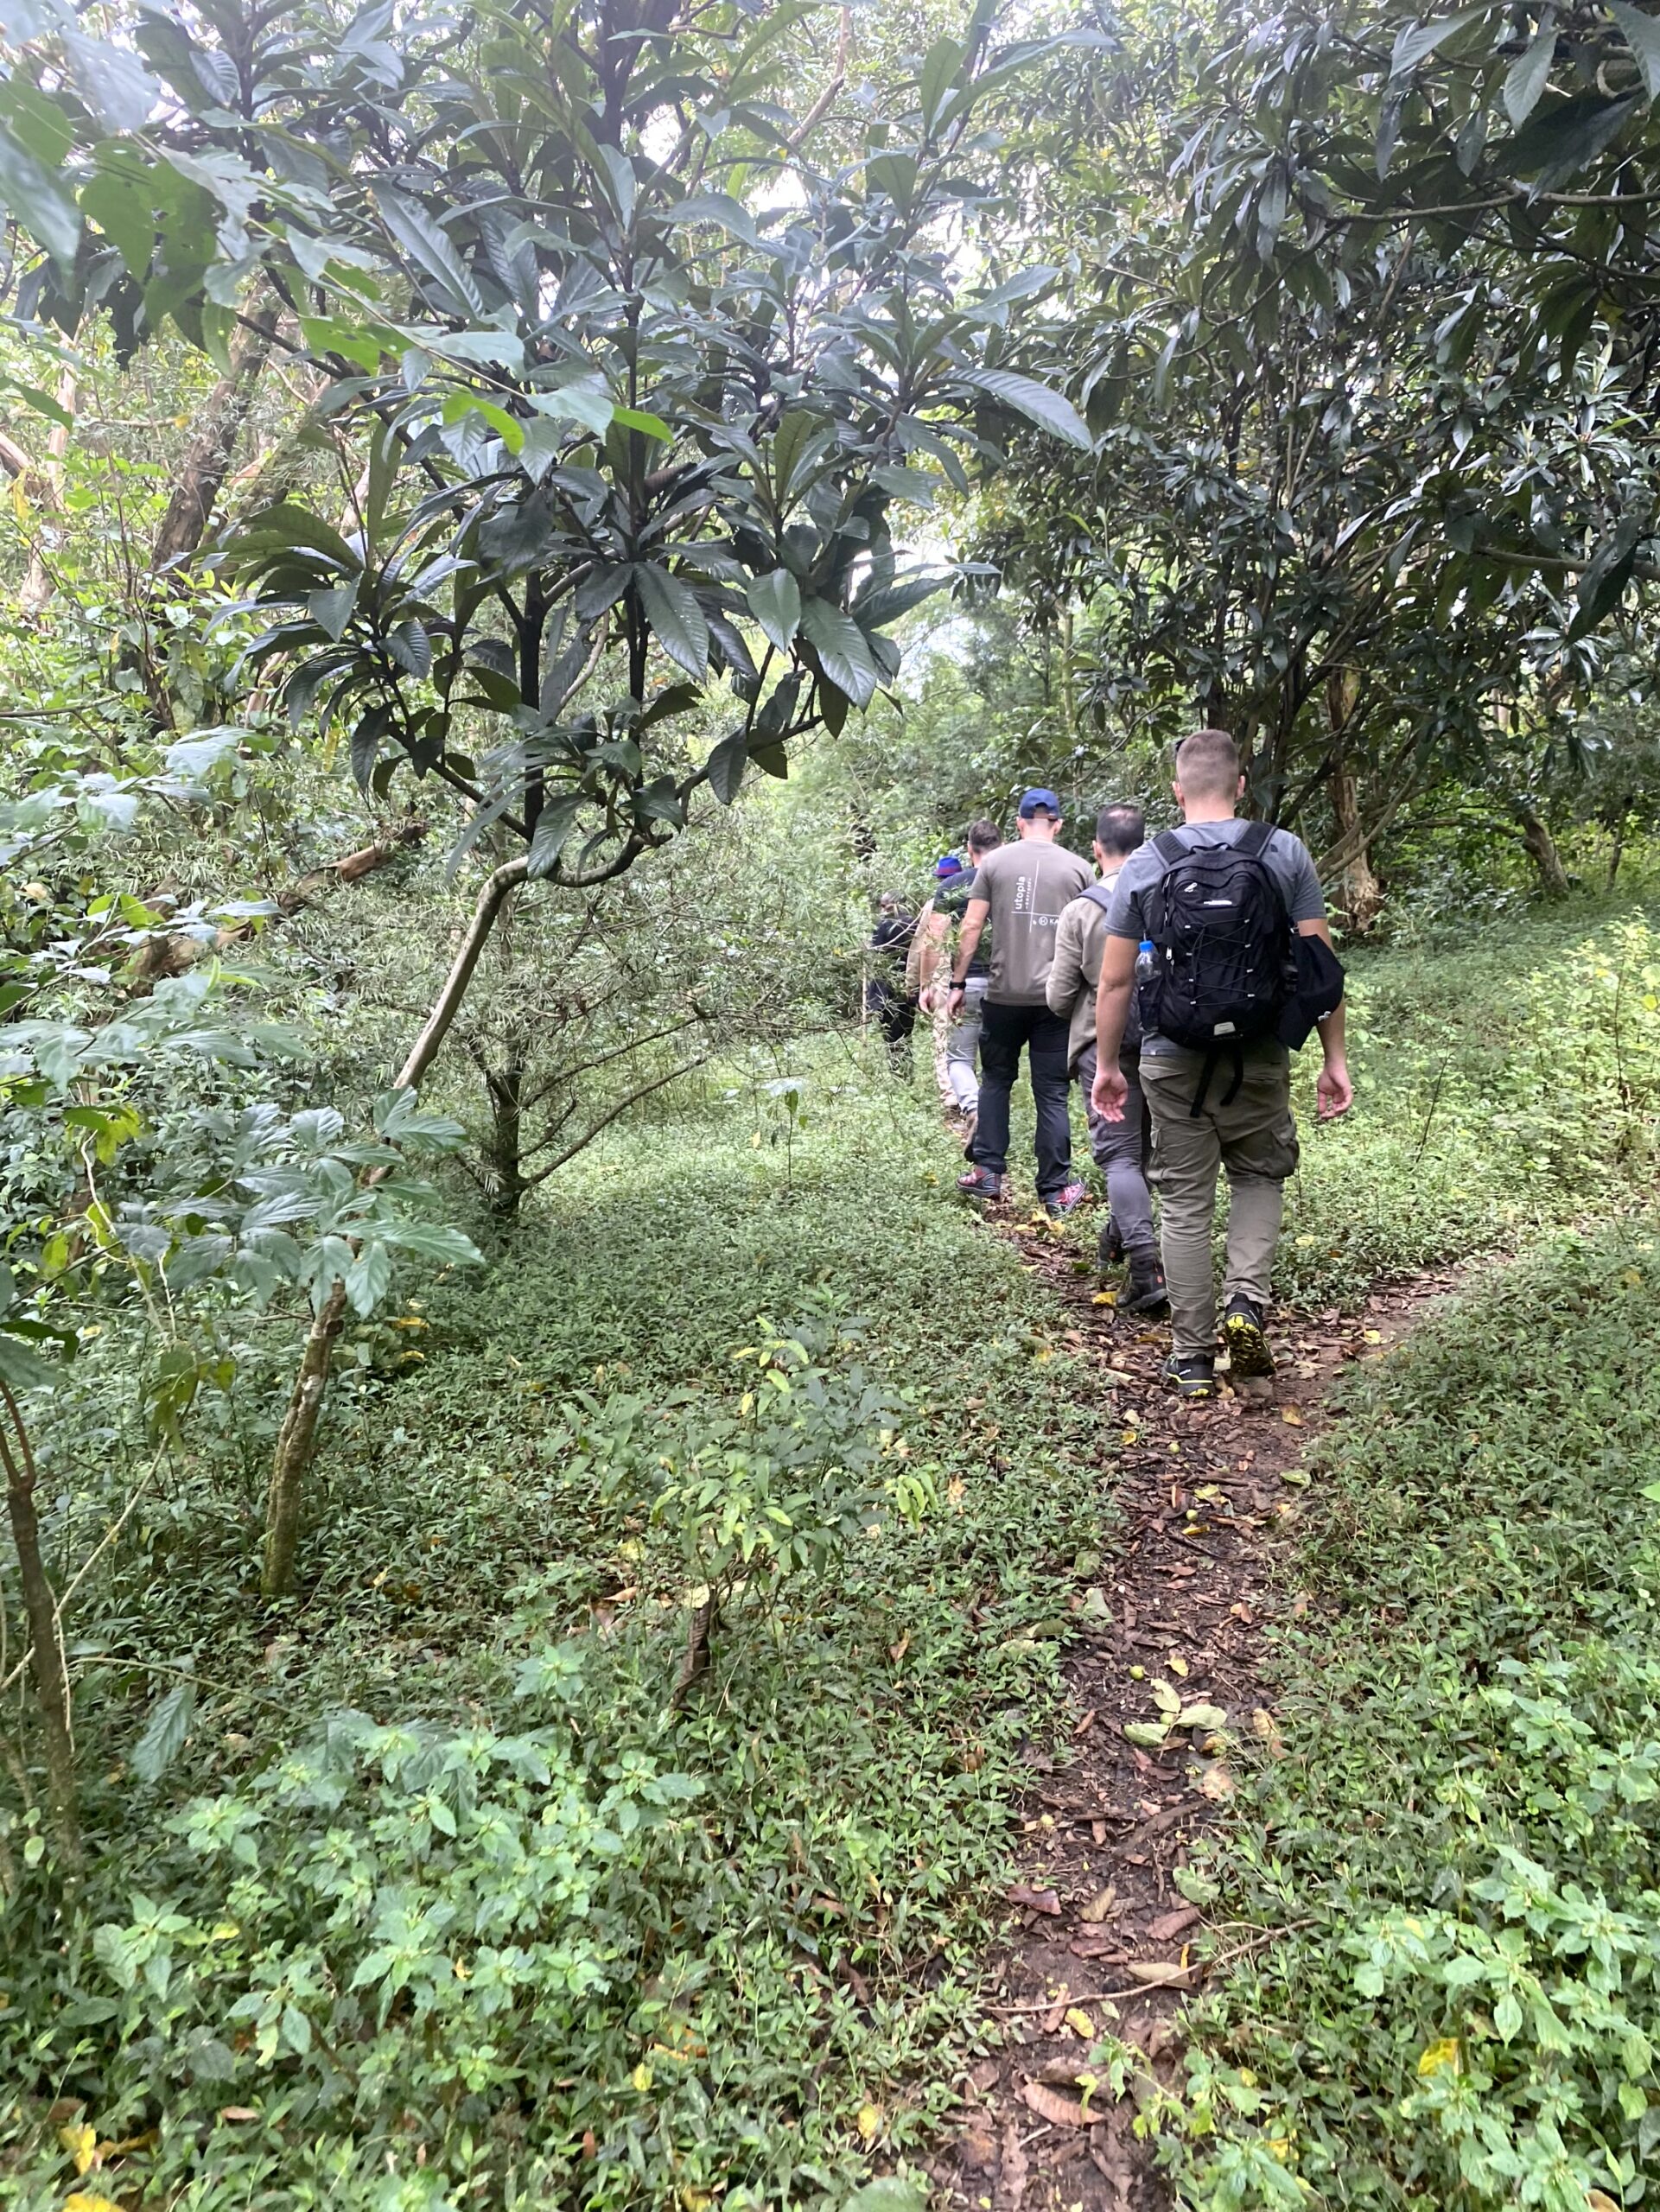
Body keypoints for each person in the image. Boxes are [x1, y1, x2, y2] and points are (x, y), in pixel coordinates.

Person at [1091, 728, 1353, 1400]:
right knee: (1259, 1175)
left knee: (1183, 1202)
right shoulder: (1282, 851)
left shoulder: (1146, 861)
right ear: (1240, 785)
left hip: (1169, 1055)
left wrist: (1107, 1067)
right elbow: (1320, 970)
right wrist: (1333, 1058)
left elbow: (1114, 982)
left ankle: (1191, 1360)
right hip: (1259, 1051)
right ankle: (1245, 1304)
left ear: (1176, 791)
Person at [1046, 803, 1167, 1313]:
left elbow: (1058, 996)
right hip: (1166, 1041)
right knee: (1144, 1153)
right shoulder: (1168, 893)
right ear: (1144, 845)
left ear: (1096, 849)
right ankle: (1117, 1236)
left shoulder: (1083, 909)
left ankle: (1145, 1266)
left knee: (1119, 1156)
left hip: (1103, 1046)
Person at [948, 789, 1092, 1214]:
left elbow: (971, 926)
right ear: (1058, 824)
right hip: (1055, 1000)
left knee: (995, 1080)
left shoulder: (994, 863)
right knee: (1051, 1092)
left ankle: (987, 1172)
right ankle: (1055, 1190)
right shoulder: (1080, 868)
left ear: (1019, 822)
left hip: (1003, 995)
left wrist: (957, 983)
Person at [919, 819, 1002, 1135]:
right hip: (1011, 984)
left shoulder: (952, 886)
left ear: (969, 849)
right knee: (1000, 1060)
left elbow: (933, 939)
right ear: (1002, 846)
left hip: (968, 984)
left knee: (959, 1057)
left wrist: (927, 985)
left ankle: (973, 1108)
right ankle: (995, 1121)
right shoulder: (1013, 882)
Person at [865, 891, 917, 1070]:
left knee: (891, 1035)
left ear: (893, 904)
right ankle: (906, 1070)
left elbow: (876, 953)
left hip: (886, 989)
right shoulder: (914, 923)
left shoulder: (884, 924)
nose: (882, 909)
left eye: (883, 905)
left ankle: (898, 1072)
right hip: (908, 986)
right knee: (905, 1032)